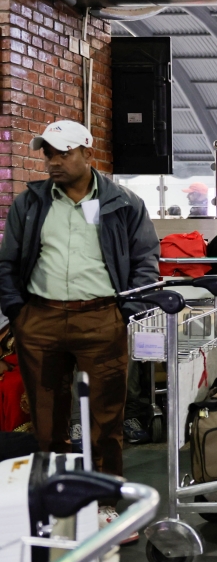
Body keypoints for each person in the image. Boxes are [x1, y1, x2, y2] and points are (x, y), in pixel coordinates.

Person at [0, 120, 160, 540]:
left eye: (62, 153)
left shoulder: (123, 202)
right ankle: (55, 505)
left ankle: (105, 506)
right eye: (47, 153)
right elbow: (8, 260)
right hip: (41, 318)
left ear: (87, 152)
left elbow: (146, 259)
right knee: (47, 420)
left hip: (101, 317)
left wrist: (128, 310)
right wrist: (17, 311)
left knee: (105, 419)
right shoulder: (31, 202)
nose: (52, 161)